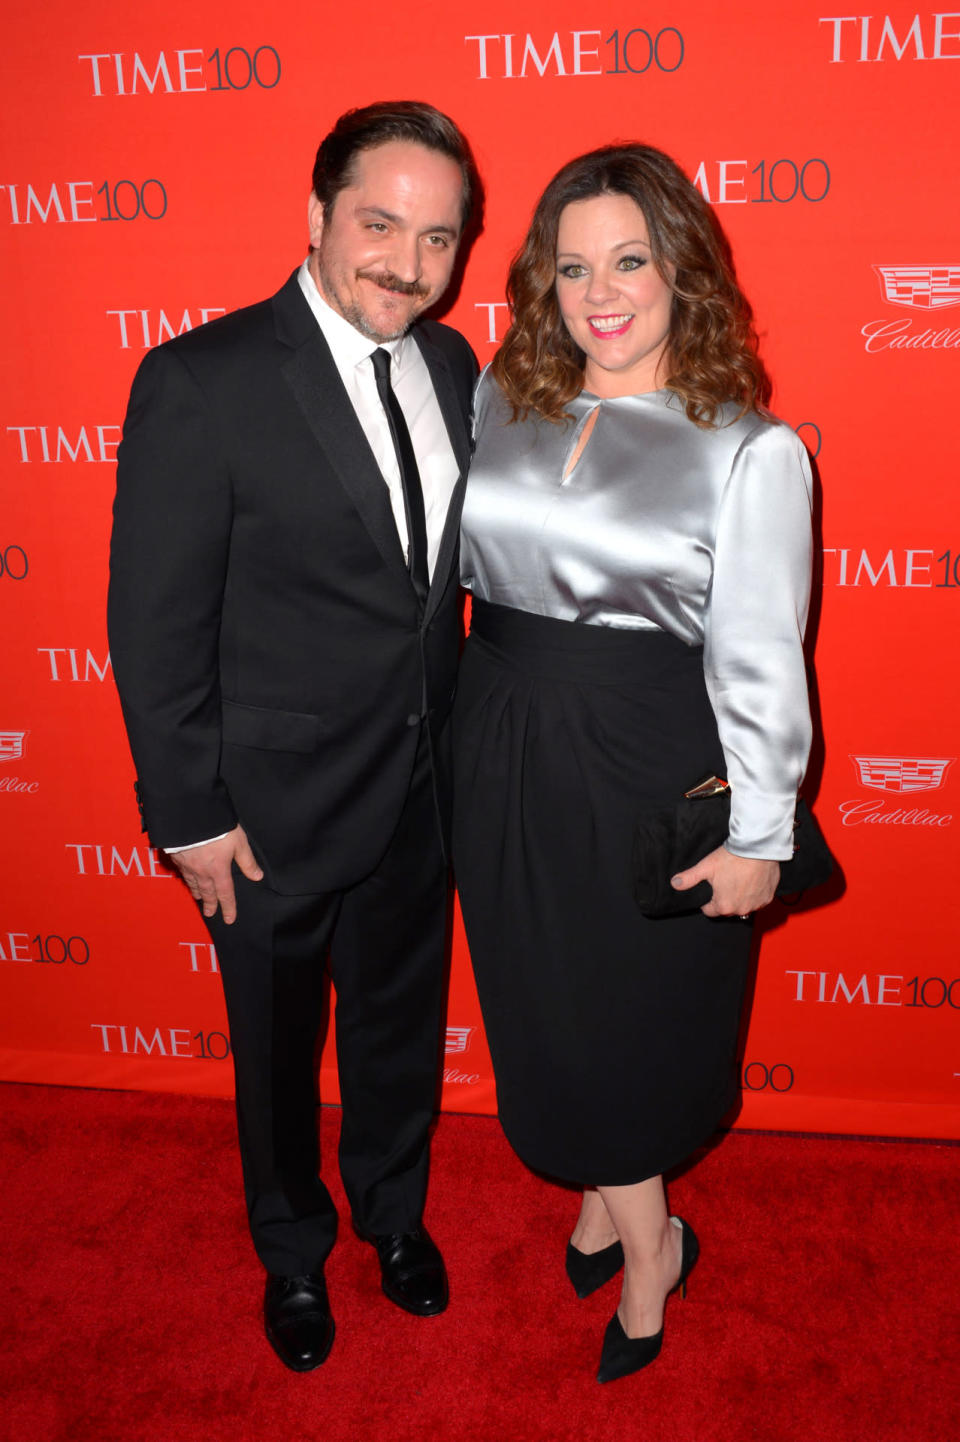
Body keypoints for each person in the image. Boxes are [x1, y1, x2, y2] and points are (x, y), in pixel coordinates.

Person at [108, 101, 478, 1372]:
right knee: (275, 1053)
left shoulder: (455, 366)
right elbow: (154, 622)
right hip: (263, 810)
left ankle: (395, 1215)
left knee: (396, 1022)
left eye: (438, 238)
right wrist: (189, 808)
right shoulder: (201, 381)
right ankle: (291, 1250)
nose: (407, 264)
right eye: (380, 224)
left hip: (420, 791)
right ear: (316, 216)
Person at [452, 144, 813, 1383]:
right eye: (571, 267)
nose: (599, 292)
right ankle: (616, 1198)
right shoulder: (504, 394)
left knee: (622, 1014)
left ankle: (651, 1243)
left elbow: (762, 654)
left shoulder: (747, 449)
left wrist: (761, 834)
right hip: (494, 734)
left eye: (629, 261)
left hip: (642, 757)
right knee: (539, 1000)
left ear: (681, 271)